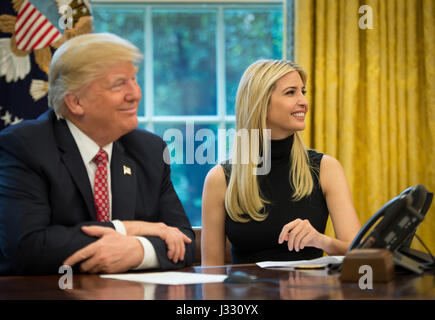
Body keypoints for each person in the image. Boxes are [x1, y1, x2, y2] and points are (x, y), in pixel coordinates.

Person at [0, 33, 195, 275]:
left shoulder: (150, 150)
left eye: (134, 80)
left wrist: (138, 251)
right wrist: (126, 229)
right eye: (119, 84)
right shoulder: (25, 146)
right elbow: (28, 247)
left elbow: (185, 242)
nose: (135, 94)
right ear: (75, 102)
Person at [201, 59, 361, 265]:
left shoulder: (326, 169)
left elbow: (360, 254)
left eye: (303, 91)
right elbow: (210, 273)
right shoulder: (220, 179)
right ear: (260, 103)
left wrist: (322, 241)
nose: (303, 102)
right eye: (291, 92)